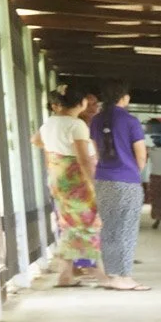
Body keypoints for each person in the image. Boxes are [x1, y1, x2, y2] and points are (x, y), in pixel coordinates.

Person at [32, 88, 101, 287]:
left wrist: (55, 149)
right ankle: (83, 270)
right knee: (85, 222)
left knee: (68, 223)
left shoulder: (49, 123)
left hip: (57, 177)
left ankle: (69, 272)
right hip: (75, 180)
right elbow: (83, 158)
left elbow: (35, 140)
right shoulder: (76, 125)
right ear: (81, 103)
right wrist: (94, 183)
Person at [90, 81, 151, 291]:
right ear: (124, 98)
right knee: (127, 228)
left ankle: (111, 274)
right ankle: (124, 276)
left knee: (108, 228)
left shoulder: (96, 120)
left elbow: (96, 151)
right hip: (126, 179)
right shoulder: (131, 121)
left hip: (103, 179)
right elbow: (140, 153)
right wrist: (136, 171)